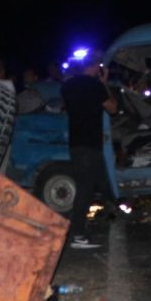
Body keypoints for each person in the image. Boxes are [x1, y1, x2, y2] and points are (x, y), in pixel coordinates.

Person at [60, 54, 117, 250]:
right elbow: (113, 108)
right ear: (96, 66)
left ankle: (115, 212)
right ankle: (77, 235)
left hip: (77, 143)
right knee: (85, 189)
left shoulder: (67, 86)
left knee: (101, 181)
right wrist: (104, 83)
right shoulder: (95, 86)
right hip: (90, 144)